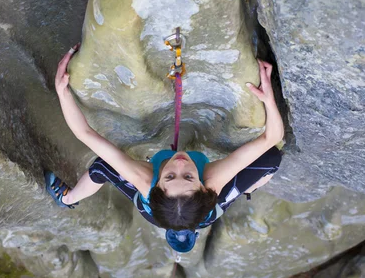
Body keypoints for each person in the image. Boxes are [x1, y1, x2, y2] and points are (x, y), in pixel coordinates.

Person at [45, 43, 284, 252]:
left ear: (156, 184)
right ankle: (252, 185)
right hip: (204, 205)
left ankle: (67, 199)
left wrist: (62, 92)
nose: (180, 163)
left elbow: (85, 134)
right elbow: (271, 138)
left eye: (170, 175)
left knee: (102, 167)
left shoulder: (144, 183)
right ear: (203, 186)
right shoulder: (213, 185)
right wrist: (268, 99)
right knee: (270, 160)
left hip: (159, 206)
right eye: (189, 176)